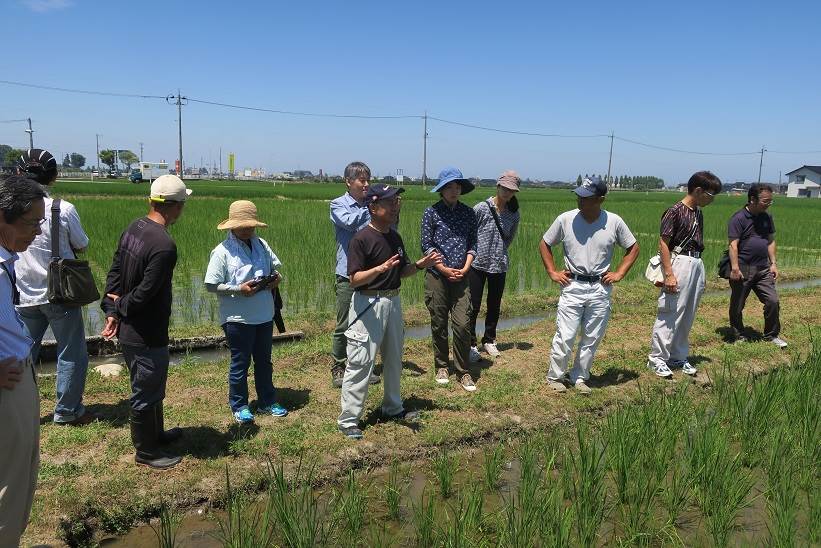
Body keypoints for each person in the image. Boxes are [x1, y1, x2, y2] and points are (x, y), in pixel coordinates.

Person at [100, 175, 191, 470]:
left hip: (132, 327)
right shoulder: (164, 245)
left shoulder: (135, 227)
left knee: (152, 384)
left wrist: (112, 309)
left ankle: (157, 435)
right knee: (146, 387)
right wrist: (120, 308)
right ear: (175, 207)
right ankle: (146, 452)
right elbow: (144, 294)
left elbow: (115, 270)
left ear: (151, 200)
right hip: (144, 330)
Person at [338, 184, 441, 439]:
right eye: (391, 202)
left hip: (393, 302)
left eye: (397, 201)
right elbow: (354, 279)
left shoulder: (395, 237)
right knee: (361, 361)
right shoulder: (361, 238)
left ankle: (393, 407)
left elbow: (402, 270)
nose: (397, 206)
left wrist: (419, 265)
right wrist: (378, 270)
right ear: (373, 207)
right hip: (368, 304)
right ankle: (349, 419)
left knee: (394, 358)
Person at [14, 149, 94, 426]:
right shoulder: (62, 208)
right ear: (54, 177)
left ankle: (18, 408)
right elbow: (82, 244)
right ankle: (67, 411)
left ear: (18, 174)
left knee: (23, 353)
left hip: (21, 293)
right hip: (60, 292)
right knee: (71, 351)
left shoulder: (9, 210)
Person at [539, 176, 639, 394]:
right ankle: (555, 377)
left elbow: (633, 248)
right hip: (573, 285)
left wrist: (620, 272)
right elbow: (545, 243)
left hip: (600, 288)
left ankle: (580, 377)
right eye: (579, 197)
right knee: (565, 335)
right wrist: (552, 271)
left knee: (591, 337)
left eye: (586, 198)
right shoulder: (565, 219)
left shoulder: (614, 221)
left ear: (600, 199)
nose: (580, 201)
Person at [205, 200, 289, 423]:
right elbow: (210, 285)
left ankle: (267, 401)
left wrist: (276, 279)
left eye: (251, 225)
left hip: (264, 314)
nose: (248, 229)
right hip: (237, 318)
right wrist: (238, 289)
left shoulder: (261, 244)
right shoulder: (222, 251)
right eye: (244, 226)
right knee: (240, 362)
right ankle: (239, 405)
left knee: (264, 361)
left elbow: (275, 270)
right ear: (232, 226)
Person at [0, 175, 47, 546]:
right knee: (7, 491)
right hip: (6, 388)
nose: (38, 232)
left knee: (23, 477)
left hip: (20, 376)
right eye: (33, 222)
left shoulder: (7, 261)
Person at [647, 171, 722, 378]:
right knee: (671, 311)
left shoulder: (698, 212)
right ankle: (657, 359)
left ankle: (678, 356)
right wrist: (669, 274)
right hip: (679, 263)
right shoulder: (674, 211)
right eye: (710, 194)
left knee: (688, 312)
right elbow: (663, 243)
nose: (712, 199)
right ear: (698, 190)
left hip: (697, 263)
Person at [421, 167, 479, 392]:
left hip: (462, 275)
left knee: (463, 324)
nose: (454, 191)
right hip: (437, 275)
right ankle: (442, 365)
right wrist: (443, 269)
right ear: (441, 190)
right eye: (449, 187)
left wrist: (465, 268)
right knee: (439, 322)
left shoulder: (468, 213)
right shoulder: (431, 213)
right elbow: (427, 245)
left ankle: (463, 370)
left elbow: (473, 243)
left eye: (457, 187)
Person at [329, 162, 380, 388]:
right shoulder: (338, 204)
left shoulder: (372, 204)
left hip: (371, 273)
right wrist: (372, 210)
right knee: (343, 324)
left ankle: (362, 366)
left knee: (368, 321)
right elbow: (349, 223)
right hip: (347, 273)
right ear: (348, 182)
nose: (367, 184)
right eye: (362, 180)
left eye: (369, 180)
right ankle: (338, 367)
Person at [468, 170, 521, 361]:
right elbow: (470, 233)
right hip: (477, 263)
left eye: (511, 190)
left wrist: (498, 252)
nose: (507, 192)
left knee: (494, 304)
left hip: (499, 264)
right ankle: (470, 344)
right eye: (504, 188)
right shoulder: (481, 208)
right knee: (472, 305)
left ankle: (489, 340)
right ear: (498, 186)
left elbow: (510, 239)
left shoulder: (514, 214)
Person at [727, 184, 786, 348]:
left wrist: (773, 263)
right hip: (743, 267)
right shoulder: (738, 218)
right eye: (766, 201)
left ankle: (771, 335)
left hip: (763, 268)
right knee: (738, 305)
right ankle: (738, 334)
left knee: (772, 301)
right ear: (752, 199)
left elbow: (770, 240)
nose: (768, 204)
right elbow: (733, 245)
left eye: (770, 201)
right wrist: (735, 268)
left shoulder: (766, 217)